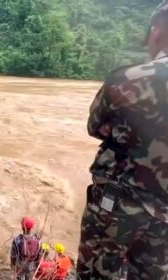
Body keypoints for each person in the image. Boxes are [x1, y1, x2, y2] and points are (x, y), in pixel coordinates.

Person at [76, 2, 168, 279]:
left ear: (156, 30)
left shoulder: (126, 80)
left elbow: (94, 126)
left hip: (118, 202)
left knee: (97, 273)